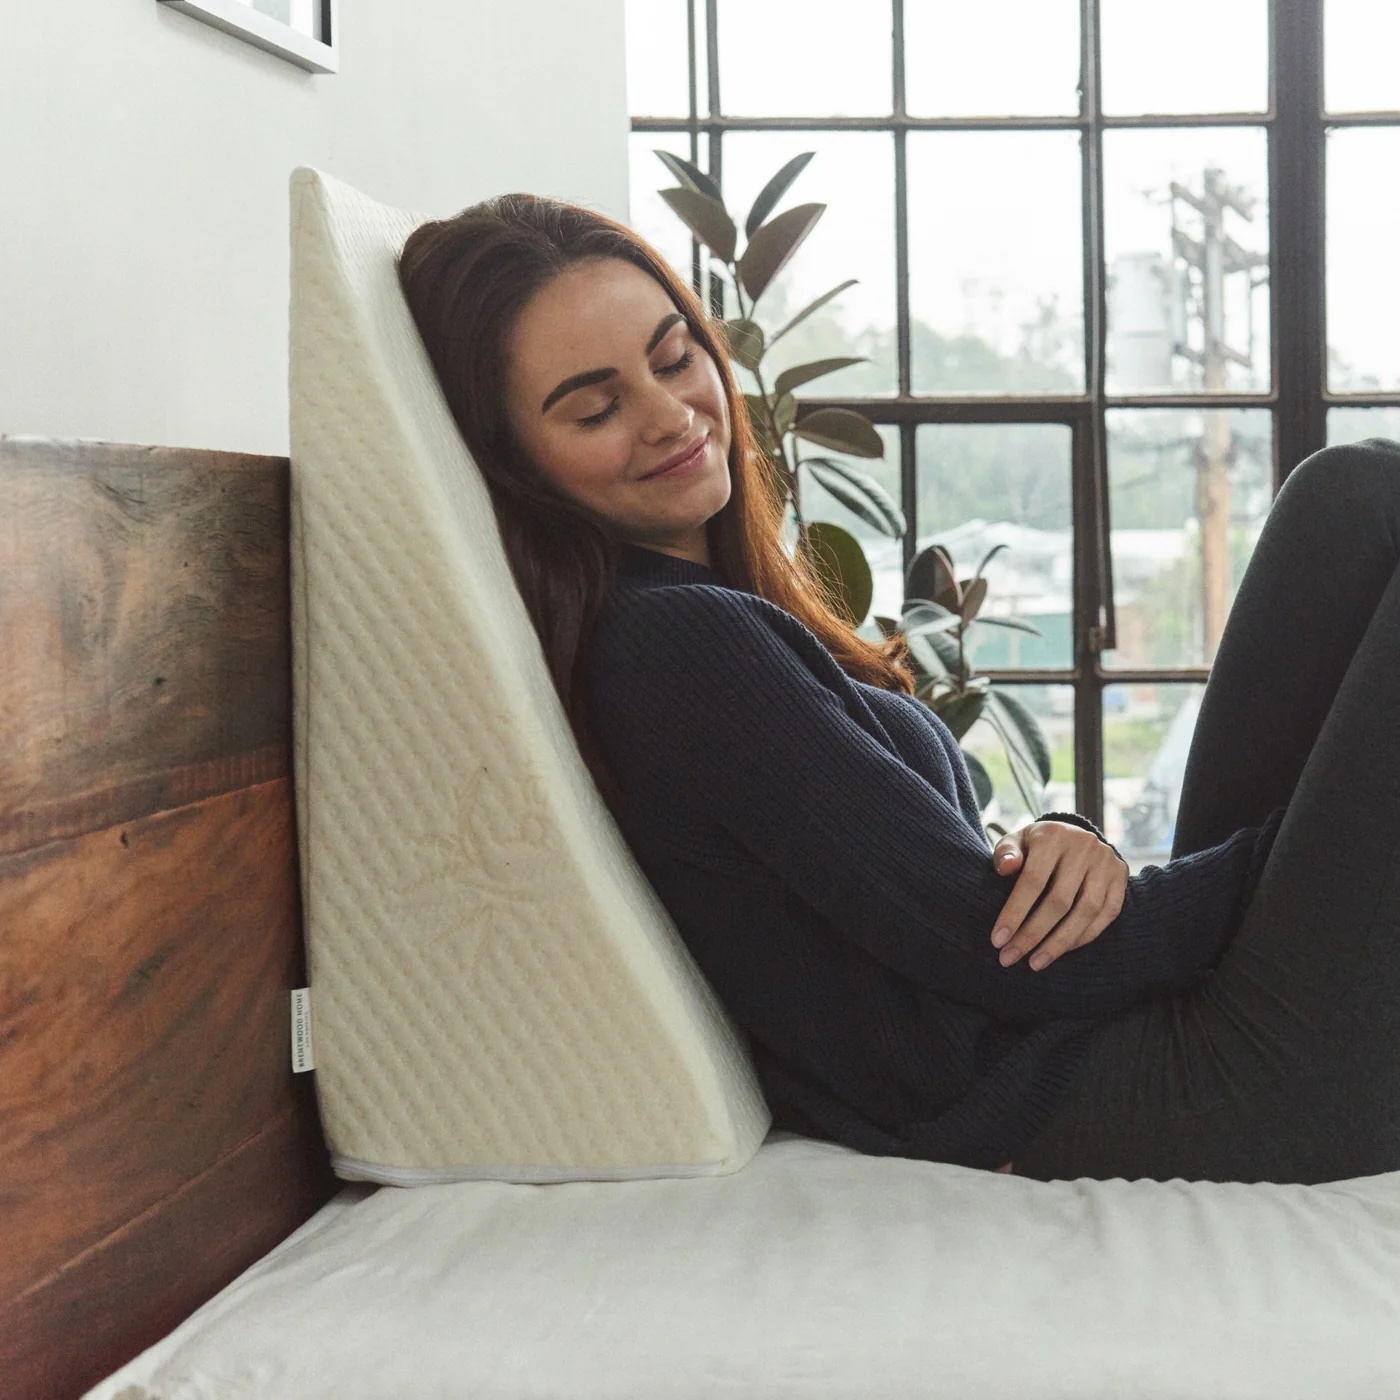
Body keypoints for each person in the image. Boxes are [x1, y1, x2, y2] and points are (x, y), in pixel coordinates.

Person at [397, 192, 1400, 1185]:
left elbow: (938, 887)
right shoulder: (675, 643)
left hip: (1111, 1038)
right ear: (514, 462)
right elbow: (987, 954)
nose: (669, 416)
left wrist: (1060, 840)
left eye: (672, 357)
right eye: (595, 406)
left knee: (1346, 497)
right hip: (1174, 1093)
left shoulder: (708, 608)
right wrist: (1327, 847)